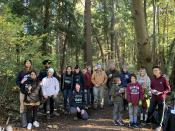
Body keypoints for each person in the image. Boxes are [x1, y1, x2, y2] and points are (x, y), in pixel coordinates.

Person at [146, 66, 171, 131]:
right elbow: (151, 88)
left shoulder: (164, 79)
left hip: (161, 98)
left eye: (156, 70)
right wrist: (150, 91)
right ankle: (149, 122)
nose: (155, 72)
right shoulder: (152, 79)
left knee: (161, 112)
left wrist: (162, 92)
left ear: (159, 71)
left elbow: (168, 89)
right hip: (154, 97)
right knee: (150, 110)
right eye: (154, 70)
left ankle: (159, 126)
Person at [16, 59, 33, 127]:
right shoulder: (21, 72)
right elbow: (17, 81)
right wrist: (21, 82)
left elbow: (35, 80)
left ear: (31, 64)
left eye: (29, 63)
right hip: (22, 91)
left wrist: (32, 86)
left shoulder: (32, 71)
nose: (28, 64)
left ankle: (30, 121)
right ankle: (23, 122)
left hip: (30, 92)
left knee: (30, 105)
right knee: (22, 105)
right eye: (27, 63)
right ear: (25, 64)